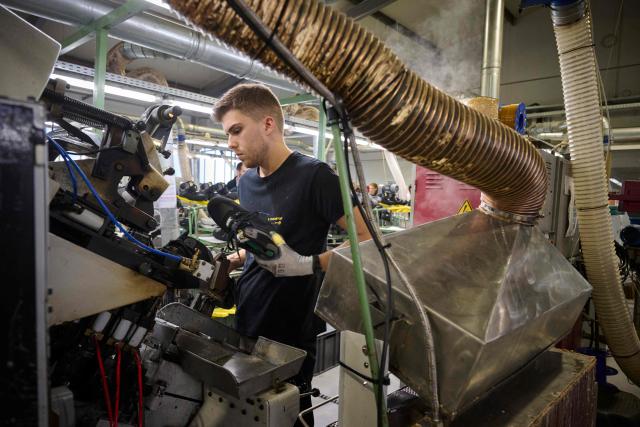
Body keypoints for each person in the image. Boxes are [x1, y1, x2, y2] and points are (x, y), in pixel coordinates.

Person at [213, 83, 371, 426]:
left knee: (291, 413)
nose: (230, 143)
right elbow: (263, 240)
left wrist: (308, 264)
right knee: (252, 412)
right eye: (227, 134)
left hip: (294, 326)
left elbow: (365, 237)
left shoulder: (315, 176)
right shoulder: (246, 182)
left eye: (237, 130)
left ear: (268, 124)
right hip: (250, 315)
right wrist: (238, 258)